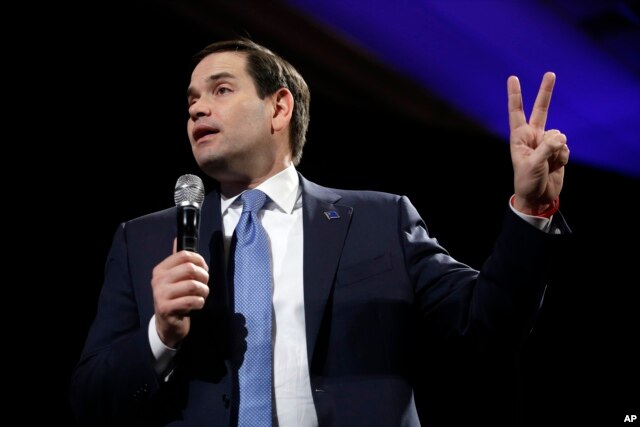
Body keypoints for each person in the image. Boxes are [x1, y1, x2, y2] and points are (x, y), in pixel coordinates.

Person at [70, 38, 570, 426]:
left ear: (279, 108)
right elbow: (91, 400)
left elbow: (487, 325)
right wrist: (161, 336)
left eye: (221, 90)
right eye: (192, 100)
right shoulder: (144, 241)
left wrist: (531, 207)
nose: (197, 109)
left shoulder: (380, 221)